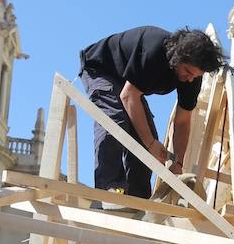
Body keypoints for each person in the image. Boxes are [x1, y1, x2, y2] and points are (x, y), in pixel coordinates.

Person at [78, 26, 225, 198]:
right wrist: (150, 143)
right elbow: (128, 96)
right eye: (187, 72)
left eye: (196, 75)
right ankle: (109, 189)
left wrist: (177, 162)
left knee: (146, 139)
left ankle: (139, 198)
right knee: (115, 122)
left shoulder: (192, 78)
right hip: (101, 69)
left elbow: (183, 121)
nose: (190, 78)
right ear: (178, 59)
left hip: (128, 84)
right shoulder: (155, 49)